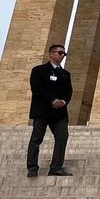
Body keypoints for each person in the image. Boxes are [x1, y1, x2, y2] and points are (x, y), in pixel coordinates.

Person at [26, 44, 73, 178]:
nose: (62, 55)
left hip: (59, 113)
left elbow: (69, 91)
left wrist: (63, 101)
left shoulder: (65, 74)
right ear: (51, 54)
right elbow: (37, 89)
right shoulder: (38, 70)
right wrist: (52, 100)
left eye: (64, 54)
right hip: (42, 111)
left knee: (62, 137)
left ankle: (56, 167)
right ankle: (32, 168)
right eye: (59, 53)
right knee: (36, 139)